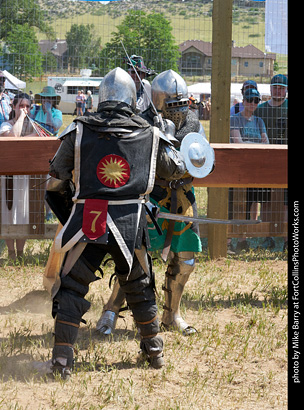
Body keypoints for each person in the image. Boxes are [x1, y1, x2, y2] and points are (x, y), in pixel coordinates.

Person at [45, 67, 187, 379]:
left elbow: (54, 180)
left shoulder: (78, 130)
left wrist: (70, 212)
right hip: (130, 223)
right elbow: (174, 169)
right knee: (139, 285)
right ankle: (154, 352)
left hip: (88, 221)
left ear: (101, 98)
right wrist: (165, 131)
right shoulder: (150, 132)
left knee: (71, 286)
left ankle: (62, 361)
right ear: (133, 100)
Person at [97, 69, 204, 337]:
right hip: (150, 199)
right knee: (132, 259)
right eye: (172, 105)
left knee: (186, 260)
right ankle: (111, 310)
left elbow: (201, 159)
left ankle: (172, 314)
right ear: (158, 103)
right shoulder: (141, 123)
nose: (179, 112)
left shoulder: (194, 125)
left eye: (182, 105)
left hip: (182, 199)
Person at [0, 93, 38, 261]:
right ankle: (11, 252)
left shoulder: (33, 126)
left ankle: (20, 254)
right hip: (8, 176)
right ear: (13, 107)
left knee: (23, 213)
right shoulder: (6, 124)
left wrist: (23, 138)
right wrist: (20, 118)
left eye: (28, 106)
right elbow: (13, 137)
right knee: (8, 213)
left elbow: (39, 136)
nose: (25, 110)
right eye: (21, 106)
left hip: (25, 177)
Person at [229, 88, 269, 254]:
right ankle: (229, 239)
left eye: (256, 100)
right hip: (239, 169)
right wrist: (256, 144)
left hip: (255, 170)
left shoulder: (259, 121)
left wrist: (250, 144)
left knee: (252, 203)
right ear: (243, 101)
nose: (252, 103)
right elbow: (238, 142)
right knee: (236, 205)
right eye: (250, 99)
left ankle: (243, 240)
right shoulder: (235, 119)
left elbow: (266, 143)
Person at [254, 74, 288, 250]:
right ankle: (266, 236)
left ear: (286, 90)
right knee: (265, 201)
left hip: (286, 161)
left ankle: (287, 239)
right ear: (270, 88)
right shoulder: (260, 110)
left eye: (281, 87)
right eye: (275, 87)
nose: (278, 90)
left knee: (286, 203)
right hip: (265, 160)